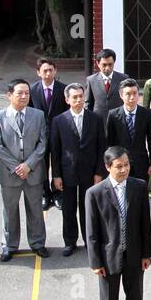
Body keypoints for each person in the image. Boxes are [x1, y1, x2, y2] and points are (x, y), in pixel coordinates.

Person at [86, 147, 151, 300]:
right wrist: (95, 262)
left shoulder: (138, 187)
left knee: (135, 296)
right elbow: (92, 232)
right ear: (108, 167)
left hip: (134, 254)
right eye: (119, 166)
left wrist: (146, 253)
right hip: (108, 257)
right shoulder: (95, 193)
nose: (124, 170)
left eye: (126, 165)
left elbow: (145, 222)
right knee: (109, 299)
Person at [0, 78, 48, 261]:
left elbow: (42, 143)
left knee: (36, 211)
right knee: (10, 211)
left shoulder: (38, 115)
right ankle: (9, 245)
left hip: (33, 172)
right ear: (9, 95)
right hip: (10, 174)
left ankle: (38, 243)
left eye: (27, 93)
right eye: (19, 93)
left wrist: (28, 165)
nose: (24, 97)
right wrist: (17, 167)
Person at [50, 83, 105, 256]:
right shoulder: (59, 121)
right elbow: (55, 150)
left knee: (88, 208)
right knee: (68, 208)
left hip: (89, 172)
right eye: (74, 97)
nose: (79, 100)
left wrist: (99, 172)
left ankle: (90, 240)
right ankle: (70, 241)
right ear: (67, 100)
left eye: (81, 96)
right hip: (67, 173)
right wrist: (56, 175)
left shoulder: (95, 118)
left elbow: (100, 147)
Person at [30, 57, 67, 209]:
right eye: (44, 71)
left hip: (59, 134)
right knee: (42, 165)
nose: (48, 73)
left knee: (58, 163)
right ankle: (45, 193)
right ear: (38, 72)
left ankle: (58, 193)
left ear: (55, 71)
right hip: (40, 135)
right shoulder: (32, 90)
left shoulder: (63, 89)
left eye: (50, 70)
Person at [106, 78, 151, 182]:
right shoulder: (113, 115)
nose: (132, 97)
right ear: (121, 96)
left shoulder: (146, 114)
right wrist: (110, 163)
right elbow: (109, 142)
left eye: (135, 93)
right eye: (128, 94)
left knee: (140, 194)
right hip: (120, 164)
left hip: (141, 163)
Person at [85, 49, 127, 121]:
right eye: (104, 65)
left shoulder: (123, 78)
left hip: (119, 119)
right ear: (98, 64)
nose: (107, 68)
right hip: (98, 120)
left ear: (114, 63)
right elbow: (88, 104)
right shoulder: (91, 80)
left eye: (110, 64)